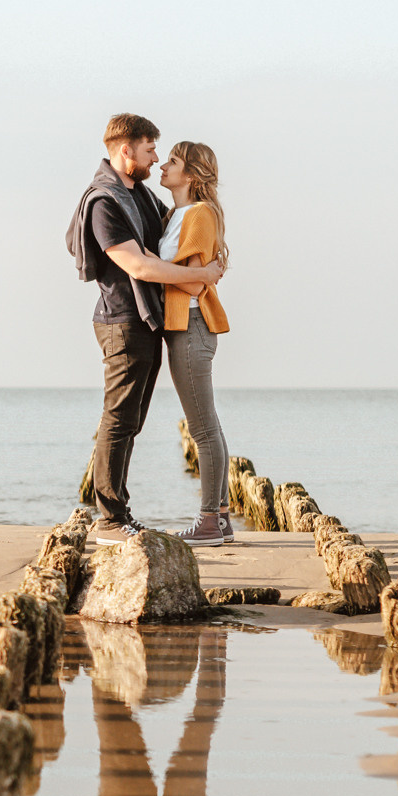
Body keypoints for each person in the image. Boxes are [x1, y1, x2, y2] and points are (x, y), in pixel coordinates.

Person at [67, 114, 225, 545]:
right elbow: (138, 265)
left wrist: (203, 265)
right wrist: (201, 276)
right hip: (121, 321)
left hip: (149, 321)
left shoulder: (143, 198)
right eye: (150, 149)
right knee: (119, 420)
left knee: (132, 421)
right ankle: (110, 519)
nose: (156, 159)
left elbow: (179, 239)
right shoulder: (105, 202)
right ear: (126, 150)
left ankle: (122, 515)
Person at [156, 141, 232, 545]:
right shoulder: (175, 215)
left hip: (191, 325)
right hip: (182, 326)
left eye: (172, 161)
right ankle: (221, 519)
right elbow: (192, 274)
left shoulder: (200, 214)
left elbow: (193, 282)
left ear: (190, 174)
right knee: (209, 425)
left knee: (202, 430)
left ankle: (208, 523)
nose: (162, 166)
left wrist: (147, 266)